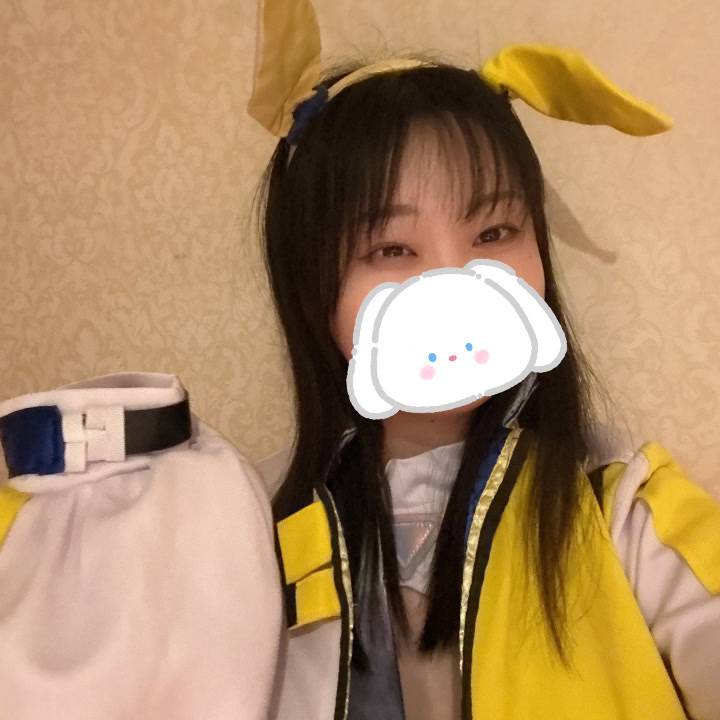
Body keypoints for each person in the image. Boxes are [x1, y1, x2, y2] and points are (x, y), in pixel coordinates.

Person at [248, 1, 720, 719]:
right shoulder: (247, 530)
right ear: (312, 287)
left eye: (494, 232)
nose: (455, 287)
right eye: (392, 249)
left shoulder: (624, 503)